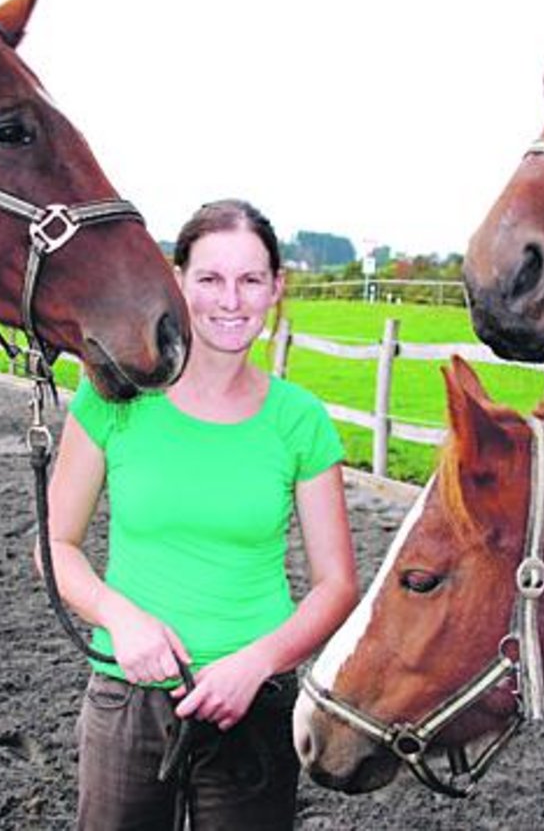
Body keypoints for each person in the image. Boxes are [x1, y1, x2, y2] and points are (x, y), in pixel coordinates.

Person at [41, 199, 359, 829]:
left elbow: (338, 584)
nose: (231, 300)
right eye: (210, 278)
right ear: (178, 280)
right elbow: (56, 544)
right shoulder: (114, 400)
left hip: (253, 704)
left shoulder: (300, 421)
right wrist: (120, 618)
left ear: (276, 288)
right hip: (126, 695)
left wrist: (256, 663)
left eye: (250, 280)